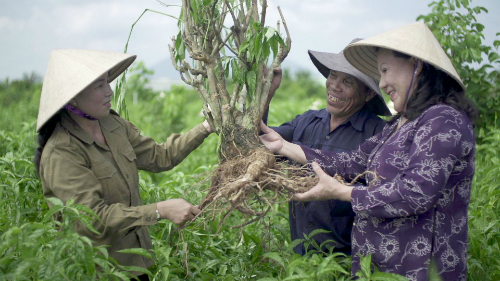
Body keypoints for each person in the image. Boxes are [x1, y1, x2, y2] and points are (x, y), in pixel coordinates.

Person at [260, 22, 477, 280]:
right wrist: (284, 146)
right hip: (375, 269)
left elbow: (416, 193)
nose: (382, 83)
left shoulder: (443, 119)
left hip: (418, 270)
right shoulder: (399, 124)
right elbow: (350, 162)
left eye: (385, 71)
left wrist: (342, 192)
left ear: (417, 66)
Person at [34, 49, 213, 280]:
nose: (109, 91)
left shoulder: (112, 125)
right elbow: (91, 219)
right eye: (99, 85)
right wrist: (161, 210)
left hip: (137, 264)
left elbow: (160, 156)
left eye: (107, 81)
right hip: (101, 271)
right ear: (73, 97)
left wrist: (206, 127)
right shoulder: (62, 152)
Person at [264, 39, 391, 256]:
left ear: (368, 94)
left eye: (348, 82)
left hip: (350, 262)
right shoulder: (306, 122)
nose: (335, 86)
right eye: (333, 75)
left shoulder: (379, 134)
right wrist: (267, 92)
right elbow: (262, 141)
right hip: (301, 257)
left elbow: (384, 196)